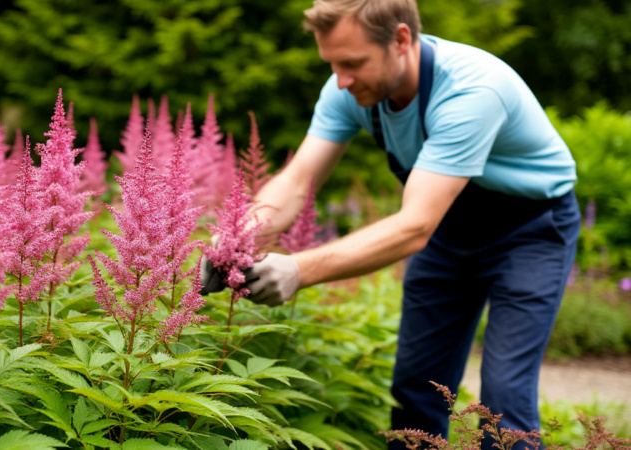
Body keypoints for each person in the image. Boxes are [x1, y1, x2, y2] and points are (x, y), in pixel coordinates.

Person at [201, 0, 580, 447]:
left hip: (529, 233)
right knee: (417, 391)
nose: (341, 80)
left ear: (401, 39)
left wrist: (300, 270)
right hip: (448, 233)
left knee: (503, 400)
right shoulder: (347, 91)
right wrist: (235, 238)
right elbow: (297, 182)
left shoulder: (473, 91)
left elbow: (414, 226)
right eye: (333, 64)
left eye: (353, 63)